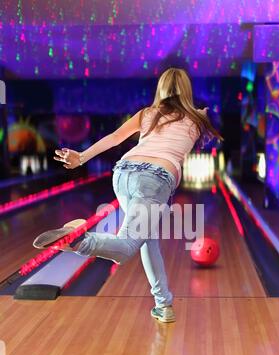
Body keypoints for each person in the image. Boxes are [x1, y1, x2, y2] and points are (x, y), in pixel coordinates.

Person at [52, 67, 223, 323]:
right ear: (187, 90)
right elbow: (210, 127)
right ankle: (79, 241)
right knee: (127, 247)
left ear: (161, 89)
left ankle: (163, 304)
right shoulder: (198, 118)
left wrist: (82, 158)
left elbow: (114, 137)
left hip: (123, 173)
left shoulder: (147, 113)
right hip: (154, 179)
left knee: (148, 239)